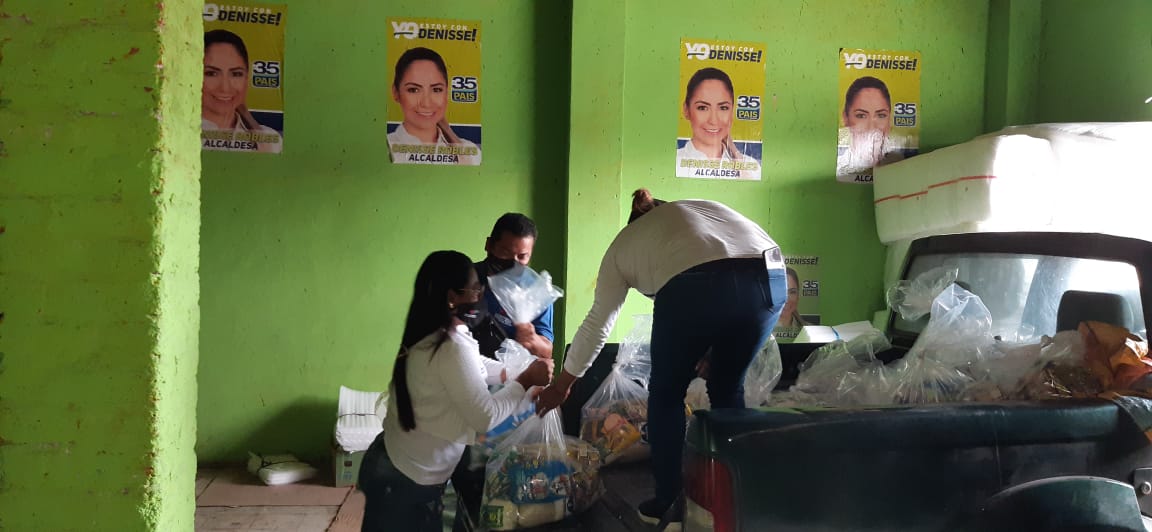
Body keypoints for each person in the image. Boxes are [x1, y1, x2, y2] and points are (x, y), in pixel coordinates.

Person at [535, 189, 787, 527]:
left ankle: (670, 506)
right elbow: (736, 283)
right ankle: (739, 502)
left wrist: (562, 385)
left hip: (696, 285)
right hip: (771, 278)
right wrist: (716, 351)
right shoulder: (702, 207)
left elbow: (597, 323)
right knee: (727, 387)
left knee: (667, 394)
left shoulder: (623, 244)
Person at [358, 251, 553, 532]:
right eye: (475, 289)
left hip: (399, 466)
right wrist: (524, 380)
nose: (480, 295)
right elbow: (484, 417)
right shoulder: (450, 344)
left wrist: (513, 371)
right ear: (452, 297)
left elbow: (473, 365)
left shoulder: (437, 331)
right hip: (404, 481)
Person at [450, 213, 555, 531]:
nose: (514, 263)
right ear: (489, 246)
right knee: (469, 475)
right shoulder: (468, 282)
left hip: (516, 394)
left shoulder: (535, 289)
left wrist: (530, 338)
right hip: (468, 386)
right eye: (505, 253)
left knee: (512, 476)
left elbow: (547, 350)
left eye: (522, 256)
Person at [387, 47, 481, 165]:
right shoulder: (384, 149)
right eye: (413, 90)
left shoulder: (471, 152)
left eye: (436, 89)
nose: (426, 103)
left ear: (446, 93)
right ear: (395, 92)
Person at [201, 30, 283, 154]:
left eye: (236, 74)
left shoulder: (271, 141)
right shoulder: (179, 136)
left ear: (246, 79)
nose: (225, 88)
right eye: (211, 73)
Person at [675, 67, 761, 180]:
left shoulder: (752, 166)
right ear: (686, 110)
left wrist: (736, 155)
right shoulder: (675, 161)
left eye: (723, 108)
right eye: (702, 108)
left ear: (732, 111)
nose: (713, 120)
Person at [836, 76, 907, 176]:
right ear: (845, 118)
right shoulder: (840, 167)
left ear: (890, 119)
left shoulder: (902, 165)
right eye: (861, 116)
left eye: (881, 115)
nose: (872, 128)